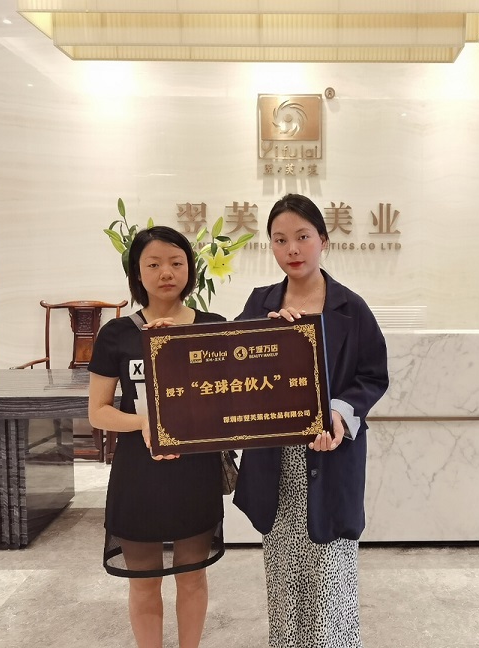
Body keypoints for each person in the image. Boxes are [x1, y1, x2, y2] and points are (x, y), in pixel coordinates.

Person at [233, 194, 389, 648]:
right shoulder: (260, 303)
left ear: (323, 240)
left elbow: (372, 376)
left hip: (330, 455)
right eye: (280, 240)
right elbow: (231, 367)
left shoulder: (351, 308)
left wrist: (340, 413)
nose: (292, 249)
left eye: (302, 237)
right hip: (275, 463)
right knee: (284, 576)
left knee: (330, 574)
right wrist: (266, 336)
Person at [88, 225, 225, 648]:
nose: (166, 272)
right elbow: (98, 411)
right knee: (144, 581)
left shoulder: (213, 327)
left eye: (176, 262)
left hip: (195, 472)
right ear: (137, 272)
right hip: (138, 473)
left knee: (192, 576)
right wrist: (143, 423)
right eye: (153, 264)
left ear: (190, 269)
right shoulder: (117, 334)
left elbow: (227, 404)